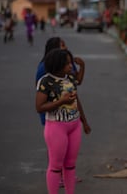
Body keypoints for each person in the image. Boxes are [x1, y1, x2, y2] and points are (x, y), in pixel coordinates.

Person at [35, 49, 89, 194]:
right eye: (67, 63)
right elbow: (39, 107)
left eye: (70, 62)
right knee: (56, 166)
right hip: (56, 128)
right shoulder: (45, 81)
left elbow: (76, 99)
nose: (70, 66)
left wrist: (84, 121)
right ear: (57, 65)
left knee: (70, 165)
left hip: (74, 125)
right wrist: (61, 101)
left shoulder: (69, 78)